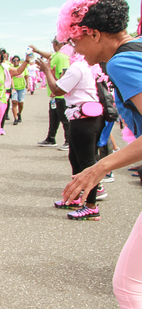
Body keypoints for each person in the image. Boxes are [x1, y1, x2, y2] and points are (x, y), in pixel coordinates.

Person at [56, 0, 142, 309]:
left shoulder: (123, 61)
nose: (75, 51)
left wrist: (97, 168)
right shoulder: (142, 48)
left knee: (128, 284)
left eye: (74, 42)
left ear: (90, 32)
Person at [38, 52, 104, 219]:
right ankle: (76, 198)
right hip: (80, 116)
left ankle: (91, 206)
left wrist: (46, 71)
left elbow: (56, 90)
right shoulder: (83, 66)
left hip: (84, 118)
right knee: (75, 159)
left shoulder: (77, 67)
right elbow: (60, 86)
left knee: (87, 163)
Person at [31, 39, 71, 149]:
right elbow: (50, 55)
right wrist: (37, 51)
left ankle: (69, 141)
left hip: (60, 94)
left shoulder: (62, 57)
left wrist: (56, 88)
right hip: (55, 95)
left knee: (64, 118)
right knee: (54, 118)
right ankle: (50, 138)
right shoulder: (57, 55)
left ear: (55, 44)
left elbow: (63, 75)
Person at [9, 55, 30, 125]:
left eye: (17, 60)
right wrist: (13, 87)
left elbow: (27, 77)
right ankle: (15, 118)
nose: (16, 62)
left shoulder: (23, 68)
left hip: (22, 88)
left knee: (21, 103)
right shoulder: (11, 69)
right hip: (14, 88)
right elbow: (11, 77)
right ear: (12, 61)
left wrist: (28, 85)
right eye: (14, 60)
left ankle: (19, 114)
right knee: (14, 102)